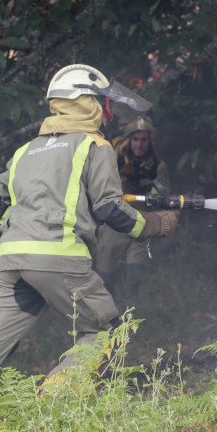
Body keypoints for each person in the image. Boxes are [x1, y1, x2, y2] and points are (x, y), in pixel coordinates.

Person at [0, 64, 181, 380]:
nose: (108, 115)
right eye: (104, 105)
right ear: (85, 102)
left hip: (11, 262)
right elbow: (110, 209)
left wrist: (16, 226)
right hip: (61, 261)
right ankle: (53, 403)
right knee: (105, 335)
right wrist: (156, 225)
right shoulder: (94, 145)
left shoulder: (26, 150)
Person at [94, 114, 170, 303]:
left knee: (135, 278)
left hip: (140, 224)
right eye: (135, 139)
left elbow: (163, 191)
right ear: (129, 139)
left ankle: (135, 316)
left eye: (144, 140)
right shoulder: (113, 157)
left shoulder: (157, 166)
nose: (139, 144)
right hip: (114, 225)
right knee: (105, 276)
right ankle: (109, 317)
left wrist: (156, 196)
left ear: (150, 141)